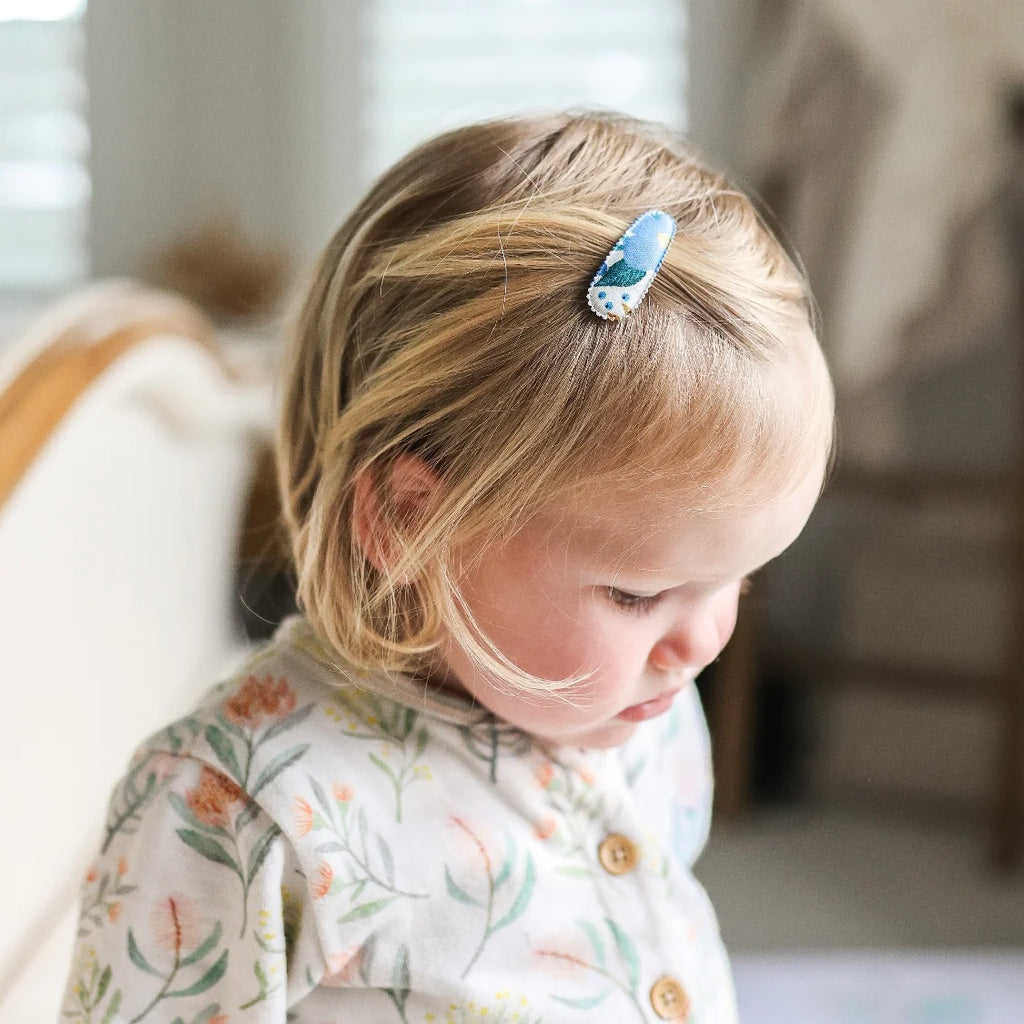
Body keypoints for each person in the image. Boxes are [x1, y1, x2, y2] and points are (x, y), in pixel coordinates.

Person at [61, 111, 833, 1023]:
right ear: (410, 522)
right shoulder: (237, 810)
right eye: (638, 594)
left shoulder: (640, 718)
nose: (702, 643)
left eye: (740, 577)